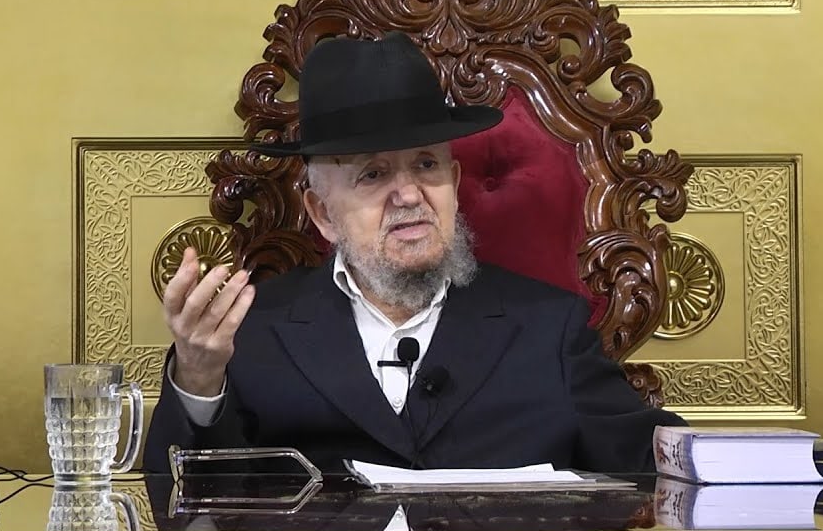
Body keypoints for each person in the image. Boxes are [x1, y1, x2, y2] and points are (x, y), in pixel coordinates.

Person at [142, 33, 686, 475]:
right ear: (322, 213)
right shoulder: (251, 331)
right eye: (373, 174)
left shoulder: (550, 328)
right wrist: (199, 378)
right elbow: (184, 502)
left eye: (426, 165)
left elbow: (658, 466)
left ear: (454, 183)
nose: (408, 195)